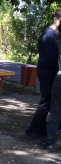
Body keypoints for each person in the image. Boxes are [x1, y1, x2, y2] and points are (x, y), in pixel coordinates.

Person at [25, 10, 61, 139]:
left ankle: (39, 129)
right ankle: (33, 130)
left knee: (48, 101)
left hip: (48, 71)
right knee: (46, 102)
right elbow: (53, 57)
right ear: (56, 19)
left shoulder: (53, 34)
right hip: (47, 72)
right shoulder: (49, 36)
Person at [41, 9, 61, 152]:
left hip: (59, 77)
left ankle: (50, 142)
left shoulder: (57, 37)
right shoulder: (52, 36)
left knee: (55, 111)